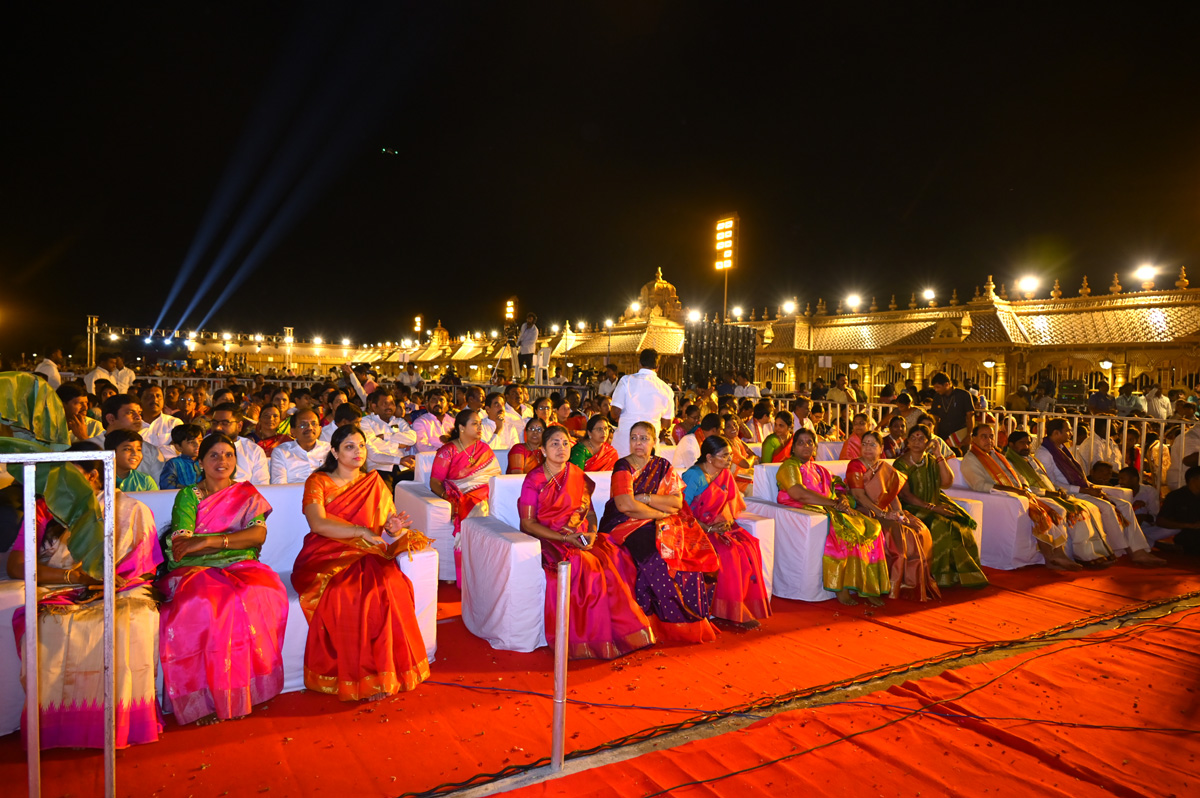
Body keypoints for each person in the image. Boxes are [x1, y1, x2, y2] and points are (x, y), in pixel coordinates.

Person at [8, 452, 163, 748]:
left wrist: (106, 578)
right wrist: (75, 578)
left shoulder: (130, 509)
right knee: (51, 626)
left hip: (121, 586)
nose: (60, 482)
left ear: (93, 476)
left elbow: (143, 567)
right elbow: (16, 566)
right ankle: (59, 725)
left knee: (129, 619)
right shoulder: (42, 509)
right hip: (60, 588)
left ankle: (122, 722)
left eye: (68, 474)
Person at [156, 433, 288, 725]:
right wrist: (221, 542)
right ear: (200, 461)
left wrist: (207, 542)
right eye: (214, 455)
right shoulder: (189, 495)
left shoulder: (246, 493)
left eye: (228, 455)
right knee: (208, 602)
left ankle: (242, 691)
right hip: (195, 570)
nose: (222, 461)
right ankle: (203, 701)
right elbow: (182, 544)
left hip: (241, 566)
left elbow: (257, 535)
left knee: (264, 591)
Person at [293, 425, 431, 700]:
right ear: (334, 451)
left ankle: (383, 672)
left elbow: (387, 527)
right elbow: (318, 523)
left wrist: (391, 527)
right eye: (349, 446)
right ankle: (359, 675)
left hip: (367, 551)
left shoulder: (374, 483)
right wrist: (359, 531)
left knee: (391, 584)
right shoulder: (318, 482)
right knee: (347, 592)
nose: (358, 452)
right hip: (326, 552)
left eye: (362, 446)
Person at [518, 425, 656, 658]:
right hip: (550, 538)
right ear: (542, 450)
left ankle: (621, 633)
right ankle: (590, 638)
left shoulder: (577, 475)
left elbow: (590, 514)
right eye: (554, 443)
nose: (561, 448)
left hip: (579, 536)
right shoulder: (534, 479)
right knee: (587, 565)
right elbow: (527, 524)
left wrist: (592, 532)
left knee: (616, 554)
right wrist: (565, 537)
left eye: (565, 443)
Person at [599, 421, 719, 641]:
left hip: (660, 521)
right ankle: (665, 624)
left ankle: (694, 620)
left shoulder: (662, 466)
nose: (638, 442)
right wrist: (658, 513)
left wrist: (644, 497)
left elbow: (676, 502)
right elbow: (625, 505)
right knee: (657, 557)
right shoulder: (623, 467)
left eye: (644, 438)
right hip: (625, 523)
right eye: (634, 437)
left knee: (688, 553)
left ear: (654, 442)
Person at [776, 430, 889, 605]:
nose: (806, 446)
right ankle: (841, 587)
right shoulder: (790, 466)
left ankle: (868, 586)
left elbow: (838, 484)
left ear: (815, 447)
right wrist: (833, 504)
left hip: (829, 507)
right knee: (846, 532)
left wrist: (842, 498)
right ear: (793, 448)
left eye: (809, 442)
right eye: (801, 443)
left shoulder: (818, 468)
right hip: (808, 508)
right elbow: (798, 494)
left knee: (872, 527)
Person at [1036, 418, 1165, 566]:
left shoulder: (1062, 449)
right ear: (1056, 433)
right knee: (1108, 507)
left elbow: (1079, 476)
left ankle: (1140, 551)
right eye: (1068, 430)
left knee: (1125, 506)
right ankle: (1124, 550)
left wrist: (1092, 487)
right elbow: (1051, 484)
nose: (1071, 433)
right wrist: (1084, 490)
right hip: (1069, 493)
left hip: (1082, 489)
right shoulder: (1044, 454)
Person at [959, 424, 1080, 570]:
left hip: (1021, 494)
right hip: (1004, 498)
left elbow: (1018, 477)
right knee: (1040, 513)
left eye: (991, 436)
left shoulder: (998, 456)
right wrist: (1015, 491)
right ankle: (1053, 557)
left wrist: (1024, 489)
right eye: (984, 436)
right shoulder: (971, 459)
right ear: (973, 439)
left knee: (1057, 509)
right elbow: (979, 485)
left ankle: (1058, 555)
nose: (989, 440)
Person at [681, 435, 771, 624]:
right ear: (709, 457)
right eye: (724, 456)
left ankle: (738, 604)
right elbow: (682, 511)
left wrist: (726, 523)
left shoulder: (725, 474)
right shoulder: (693, 476)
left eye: (730, 455)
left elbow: (730, 505)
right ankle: (727, 610)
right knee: (729, 552)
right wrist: (707, 527)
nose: (730, 460)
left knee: (748, 546)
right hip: (694, 529)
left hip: (718, 527)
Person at [846, 431, 938, 601]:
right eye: (864, 444)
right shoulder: (855, 466)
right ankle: (894, 583)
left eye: (872, 444)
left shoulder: (884, 467)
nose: (867, 448)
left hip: (885, 509)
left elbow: (893, 494)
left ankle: (915, 583)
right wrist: (883, 514)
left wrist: (900, 512)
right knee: (898, 533)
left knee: (917, 528)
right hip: (865, 509)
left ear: (881, 448)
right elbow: (859, 496)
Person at [893, 425, 988, 588]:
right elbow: (905, 495)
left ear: (928, 442)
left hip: (934, 501)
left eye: (921, 438)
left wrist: (939, 456)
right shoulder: (901, 464)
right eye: (913, 438)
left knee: (960, 525)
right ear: (907, 442)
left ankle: (958, 575)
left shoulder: (930, 460)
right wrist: (933, 508)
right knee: (940, 524)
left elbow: (947, 482)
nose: (916, 442)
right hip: (912, 507)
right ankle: (937, 576)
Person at [1002, 430, 1115, 564]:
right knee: (1077, 513)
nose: (1026, 446)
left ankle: (1097, 551)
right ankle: (1085, 556)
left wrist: (1058, 491)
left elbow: (1047, 480)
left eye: (1028, 443)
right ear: (1011, 444)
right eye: (1022, 443)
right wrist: (1048, 493)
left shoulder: (1032, 459)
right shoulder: (1009, 462)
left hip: (1052, 493)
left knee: (1089, 508)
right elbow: (1022, 487)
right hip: (1037, 496)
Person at [430, 409, 502, 581]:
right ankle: (473, 570)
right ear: (462, 427)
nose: (479, 428)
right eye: (475, 424)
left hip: (485, 490)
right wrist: (447, 497)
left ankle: (493, 568)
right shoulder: (447, 451)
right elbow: (434, 482)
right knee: (478, 506)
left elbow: (495, 477)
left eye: (480, 424)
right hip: (461, 492)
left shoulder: (484, 448)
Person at [610, 348, 676, 458]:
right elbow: (667, 424)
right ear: (658, 367)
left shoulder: (626, 381)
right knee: (648, 474)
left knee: (622, 474)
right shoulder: (666, 389)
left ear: (639, 363)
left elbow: (614, 412)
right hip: (649, 445)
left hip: (625, 444)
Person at [359, 390, 418, 488]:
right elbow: (374, 444)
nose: (389, 407)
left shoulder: (400, 421)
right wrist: (398, 445)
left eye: (392, 403)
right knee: (385, 496)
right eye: (385, 403)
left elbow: (412, 439)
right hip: (380, 467)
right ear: (374, 406)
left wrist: (385, 437)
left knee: (418, 489)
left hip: (403, 467)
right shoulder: (366, 422)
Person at [209, 403, 270, 485]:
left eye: (225, 423)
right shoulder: (202, 446)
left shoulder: (254, 451)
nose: (218, 427)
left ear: (239, 426)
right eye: (215, 423)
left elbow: (262, 488)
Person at [270, 409, 332, 484]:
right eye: (303, 425)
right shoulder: (281, 452)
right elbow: (279, 485)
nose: (310, 428)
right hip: (292, 494)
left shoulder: (330, 449)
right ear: (292, 431)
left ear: (320, 428)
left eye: (313, 424)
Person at [1154, 465, 1200, 554]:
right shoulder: (1176, 496)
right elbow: (1161, 521)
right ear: (1193, 480)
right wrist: (1189, 525)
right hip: (1185, 533)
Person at [928, 372, 975, 454]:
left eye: (938, 387)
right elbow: (934, 418)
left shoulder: (963, 395)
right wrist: (934, 435)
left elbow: (970, 416)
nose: (936, 390)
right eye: (935, 387)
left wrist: (969, 434)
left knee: (961, 458)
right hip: (943, 435)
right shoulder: (937, 397)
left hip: (960, 435)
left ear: (946, 384)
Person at [159, 423, 203, 489]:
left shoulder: (207, 461)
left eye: (200, 441)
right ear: (178, 447)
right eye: (191, 442)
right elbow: (167, 485)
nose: (197, 445)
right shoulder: (174, 464)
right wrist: (191, 491)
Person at [518, 312, 539, 379]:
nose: (528, 320)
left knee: (528, 365)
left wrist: (523, 343)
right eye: (528, 319)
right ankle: (518, 378)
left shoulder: (535, 330)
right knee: (519, 364)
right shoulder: (524, 325)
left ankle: (527, 379)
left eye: (530, 319)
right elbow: (521, 335)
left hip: (529, 350)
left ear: (533, 320)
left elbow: (533, 341)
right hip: (521, 349)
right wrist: (518, 343)